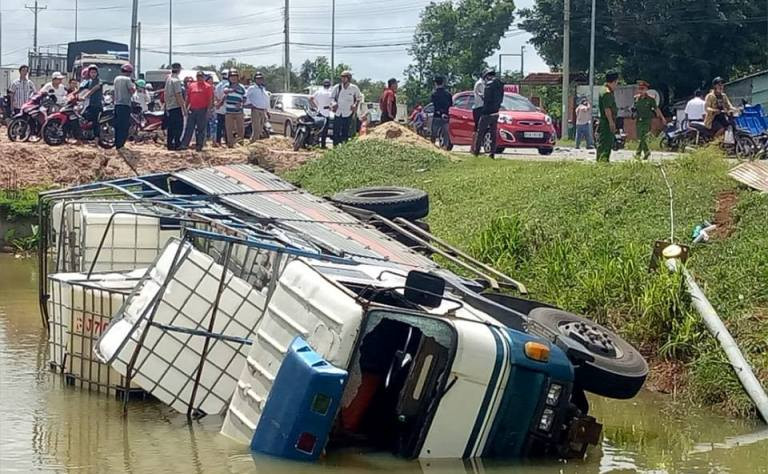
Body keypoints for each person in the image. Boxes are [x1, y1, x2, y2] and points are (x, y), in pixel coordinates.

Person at [472, 68, 503, 158]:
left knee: (480, 132)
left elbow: (485, 98)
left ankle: (476, 152)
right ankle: (491, 153)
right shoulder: (498, 85)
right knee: (492, 133)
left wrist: (483, 96)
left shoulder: (489, 85)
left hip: (486, 111)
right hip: (493, 111)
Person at [180, 70, 214, 151]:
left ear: (204, 77)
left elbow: (210, 99)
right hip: (192, 109)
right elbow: (188, 98)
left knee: (200, 129)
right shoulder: (192, 85)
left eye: (201, 76)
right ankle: (184, 144)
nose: (199, 78)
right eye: (198, 76)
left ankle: (199, 145)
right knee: (189, 127)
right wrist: (185, 107)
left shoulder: (208, 87)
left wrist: (209, 110)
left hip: (202, 110)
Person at [633, 80, 665, 160]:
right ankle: (646, 152)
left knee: (644, 137)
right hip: (638, 120)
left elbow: (656, 109)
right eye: (640, 89)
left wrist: (662, 118)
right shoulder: (636, 99)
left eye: (643, 89)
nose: (641, 90)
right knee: (640, 137)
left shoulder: (650, 99)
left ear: (646, 89)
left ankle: (638, 153)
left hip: (647, 120)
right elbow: (634, 109)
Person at [331, 70, 361, 146]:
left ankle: (344, 146)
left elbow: (358, 98)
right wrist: (334, 103)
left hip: (348, 112)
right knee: (336, 131)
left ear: (349, 78)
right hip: (338, 112)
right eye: (342, 77)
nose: (343, 79)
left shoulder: (354, 88)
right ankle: (335, 146)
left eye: (345, 77)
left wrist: (355, 105)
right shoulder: (337, 87)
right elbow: (332, 98)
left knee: (346, 131)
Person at [217, 69, 246, 147]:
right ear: (229, 78)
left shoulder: (242, 87)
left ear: (237, 77)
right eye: (232, 76)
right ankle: (230, 144)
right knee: (229, 129)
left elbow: (245, 97)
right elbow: (225, 91)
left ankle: (240, 144)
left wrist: (241, 103)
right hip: (229, 111)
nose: (233, 78)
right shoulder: (227, 85)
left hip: (239, 111)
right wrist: (233, 89)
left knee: (240, 129)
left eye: (235, 76)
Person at [113, 64, 136, 155]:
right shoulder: (127, 80)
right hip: (125, 104)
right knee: (124, 126)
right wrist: (134, 85)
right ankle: (121, 145)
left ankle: (117, 143)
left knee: (118, 125)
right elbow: (132, 91)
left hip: (117, 104)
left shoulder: (116, 79)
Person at [597, 72, 620, 163]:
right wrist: (611, 122)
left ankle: (602, 160)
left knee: (605, 142)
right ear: (614, 81)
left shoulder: (603, 89)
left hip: (605, 121)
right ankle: (603, 161)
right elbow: (607, 109)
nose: (616, 85)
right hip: (606, 121)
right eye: (617, 83)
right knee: (606, 142)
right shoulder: (606, 92)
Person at [164, 63, 187, 150]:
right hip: (176, 106)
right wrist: (183, 108)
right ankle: (177, 144)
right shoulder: (176, 81)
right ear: (179, 69)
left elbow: (165, 93)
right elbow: (178, 95)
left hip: (169, 106)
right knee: (178, 127)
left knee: (171, 127)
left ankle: (170, 144)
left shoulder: (169, 79)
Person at [79, 65, 104, 139]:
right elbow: (80, 89)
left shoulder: (99, 81)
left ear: (97, 73)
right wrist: (72, 95)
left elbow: (93, 89)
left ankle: (97, 138)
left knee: (95, 121)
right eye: (91, 72)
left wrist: (85, 96)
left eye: (94, 72)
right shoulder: (89, 81)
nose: (93, 74)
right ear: (89, 73)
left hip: (97, 105)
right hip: (89, 105)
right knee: (82, 117)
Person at [245, 71, 269, 142]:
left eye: (261, 78)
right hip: (256, 110)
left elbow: (265, 99)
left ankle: (255, 142)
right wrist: (250, 104)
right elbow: (246, 96)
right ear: (255, 79)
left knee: (260, 129)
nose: (259, 80)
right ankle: (253, 142)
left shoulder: (263, 89)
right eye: (258, 78)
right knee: (256, 129)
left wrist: (267, 111)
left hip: (263, 110)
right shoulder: (252, 88)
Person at [430, 75, 452, 146]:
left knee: (434, 133)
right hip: (446, 116)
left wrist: (440, 111)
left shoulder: (434, 94)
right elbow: (450, 105)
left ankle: (432, 146)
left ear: (435, 84)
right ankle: (445, 147)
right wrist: (445, 112)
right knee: (446, 133)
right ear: (443, 83)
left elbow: (435, 105)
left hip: (437, 115)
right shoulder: (448, 94)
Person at [310, 78, 333, 148]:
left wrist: (316, 106)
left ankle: (315, 143)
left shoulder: (318, 91)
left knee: (317, 128)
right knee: (324, 131)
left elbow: (310, 98)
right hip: (326, 113)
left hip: (319, 112)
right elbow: (333, 102)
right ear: (329, 85)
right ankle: (323, 145)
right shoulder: (330, 93)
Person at [213, 69, 230, 147]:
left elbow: (215, 95)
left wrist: (218, 103)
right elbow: (225, 95)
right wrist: (221, 103)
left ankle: (218, 141)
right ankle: (227, 141)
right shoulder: (228, 84)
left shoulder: (218, 85)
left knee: (219, 126)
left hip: (219, 109)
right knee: (227, 126)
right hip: (226, 108)